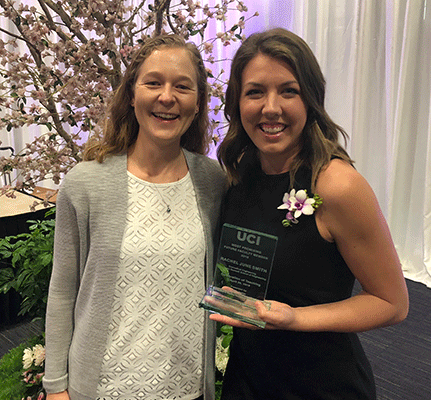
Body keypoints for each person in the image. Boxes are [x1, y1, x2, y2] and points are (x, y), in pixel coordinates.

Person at [211, 28, 409, 400]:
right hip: (246, 376)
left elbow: (392, 303)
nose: (271, 108)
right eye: (255, 92)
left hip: (319, 382)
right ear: (237, 103)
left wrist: (295, 318)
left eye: (289, 91)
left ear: (311, 100)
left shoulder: (337, 186)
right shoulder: (238, 173)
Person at [42, 34, 227, 400]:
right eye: (153, 82)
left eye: (183, 87)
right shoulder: (86, 182)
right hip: (103, 388)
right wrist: (56, 386)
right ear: (131, 94)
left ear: (197, 104)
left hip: (187, 388)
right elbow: (63, 289)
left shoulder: (213, 181)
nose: (167, 97)